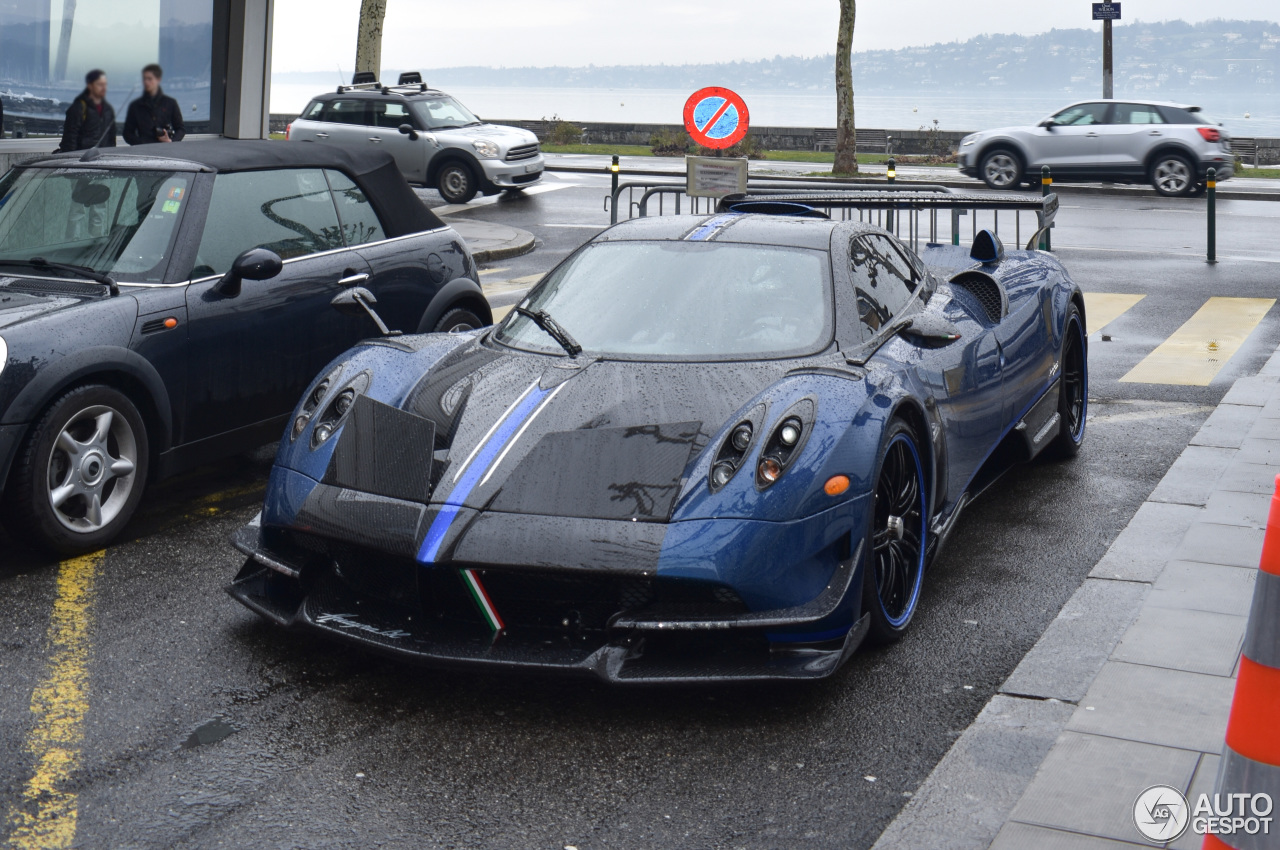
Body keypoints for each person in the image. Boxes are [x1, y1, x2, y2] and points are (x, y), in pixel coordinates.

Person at [123, 64, 185, 145]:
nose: (146, 82)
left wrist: (171, 142)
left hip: (166, 149)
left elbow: (180, 129)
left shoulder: (170, 103)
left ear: (158, 79)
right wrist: (141, 143)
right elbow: (127, 133)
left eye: (149, 79)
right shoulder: (135, 106)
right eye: (144, 79)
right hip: (143, 151)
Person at [58, 69, 116, 152]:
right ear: (90, 85)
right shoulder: (78, 108)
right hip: (82, 158)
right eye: (100, 84)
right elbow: (70, 138)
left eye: (105, 84)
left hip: (103, 158)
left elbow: (111, 139)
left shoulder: (108, 110)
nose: (104, 88)